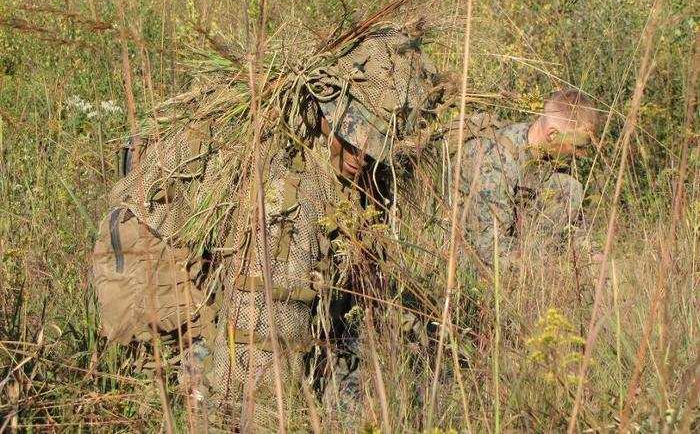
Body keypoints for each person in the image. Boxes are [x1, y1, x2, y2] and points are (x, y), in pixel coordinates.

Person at [89, 23, 438, 429]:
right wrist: (268, 412)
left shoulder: (348, 165)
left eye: (376, 144)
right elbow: (256, 327)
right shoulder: (286, 190)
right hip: (145, 263)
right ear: (328, 114)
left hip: (202, 251)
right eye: (354, 136)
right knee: (200, 381)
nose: (363, 155)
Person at [452, 89, 602, 267]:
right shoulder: (496, 161)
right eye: (578, 146)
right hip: (466, 258)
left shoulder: (549, 157)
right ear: (552, 134)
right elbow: (488, 246)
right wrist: (547, 267)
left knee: (570, 188)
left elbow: (573, 228)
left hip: (519, 249)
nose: (582, 155)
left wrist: (591, 255)